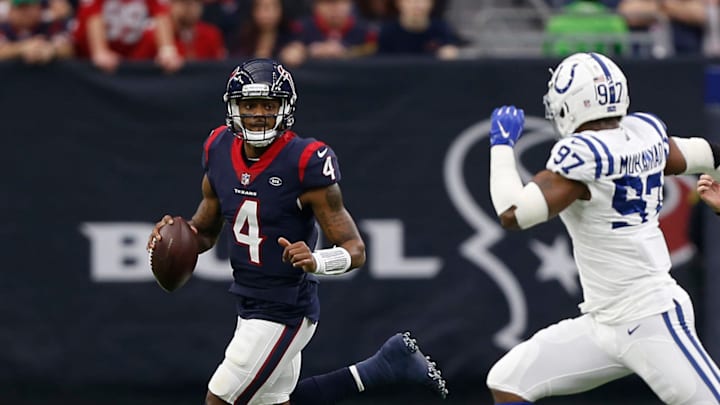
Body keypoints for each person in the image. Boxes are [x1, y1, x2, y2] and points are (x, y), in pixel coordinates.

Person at [147, 58, 448, 405]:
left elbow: (355, 249)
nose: (259, 113)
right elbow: (203, 231)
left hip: (284, 309)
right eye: (249, 104)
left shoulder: (304, 160)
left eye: (268, 104)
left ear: (284, 109)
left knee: (220, 401)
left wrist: (316, 261)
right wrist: (172, 234)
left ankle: (385, 367)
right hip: (248, 302)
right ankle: (384, 367)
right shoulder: (217, 148)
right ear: (234, 108)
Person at [486, 52, 720, 404]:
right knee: (509, 380)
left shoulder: (585, 157)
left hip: (650, 314)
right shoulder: (644, 135)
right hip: (604, 322)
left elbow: (513, 213)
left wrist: (501, 146)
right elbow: (709, 154)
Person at [72, 0, 183, 73]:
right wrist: (100, 51)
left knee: (152, 35)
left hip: (130, 50)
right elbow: (93, 15)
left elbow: (161, 15)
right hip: (87, 50)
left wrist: (167, 50)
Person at [133, 0, 227, 61]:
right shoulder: (154, 36)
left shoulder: (211, 34)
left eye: (195, 3)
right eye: (183, 3)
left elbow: (219, 67)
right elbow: (136, 68)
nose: (189, 8)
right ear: (170, 6)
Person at [226, 0, 304, 66]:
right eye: (261, 7)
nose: (266, 14)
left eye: (272, 7)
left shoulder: (291, 34)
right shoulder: (241, 37)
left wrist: (299, 50)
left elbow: (302, 47)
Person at [376, 0, 460, 59]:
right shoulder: (388, 32)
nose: (416, 5)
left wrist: (450, 54)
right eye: (409, 1)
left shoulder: (442, 29)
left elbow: (452, 51)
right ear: (399, 3)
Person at [0, 0, 73, 63]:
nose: (25, 13)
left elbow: (68, 49)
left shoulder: (52, 25)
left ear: (39, 8)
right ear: (10, 11)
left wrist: (51, 49)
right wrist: (22, 48)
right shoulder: (3, 28)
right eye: (20, 8)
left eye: (30, 7)